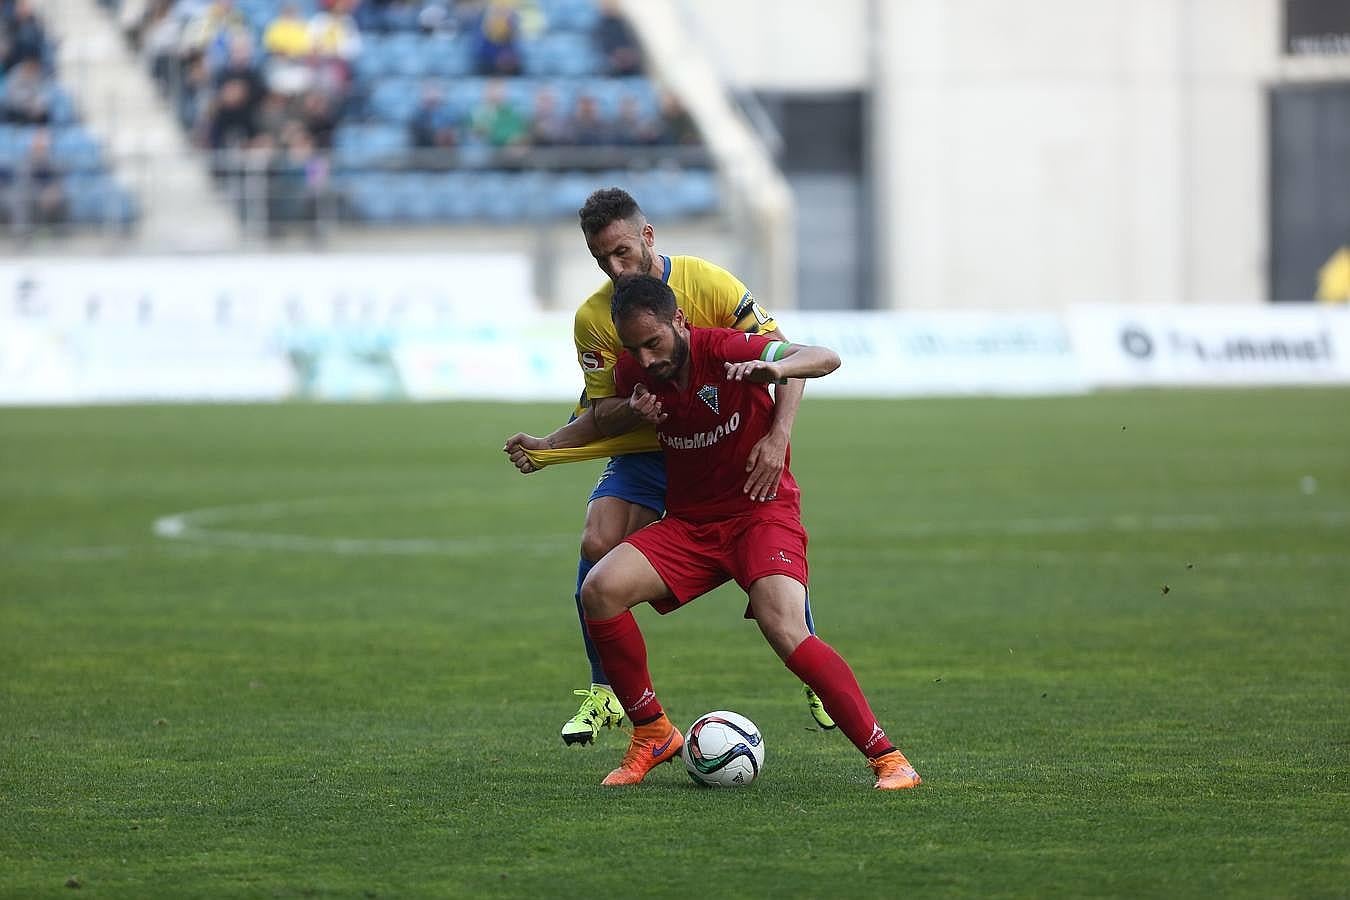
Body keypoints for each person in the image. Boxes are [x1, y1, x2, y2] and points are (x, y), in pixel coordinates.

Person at [503, 188, 835, 745]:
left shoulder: (711, 284)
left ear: (648, 236)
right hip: (647, 445)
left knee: (764, 558)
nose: (614, 268)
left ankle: (815, 670)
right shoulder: (595, 318)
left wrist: (778, 438)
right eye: (601, 259)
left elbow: (790, 358)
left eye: (623, 252)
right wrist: (572, 434)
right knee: (596, 542)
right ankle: (607, 692)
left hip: (721, 442)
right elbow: (601, 410)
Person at [579, 273, 921, 790]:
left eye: (653, 343)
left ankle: (890, 760)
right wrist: (544, 446)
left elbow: (825, 356)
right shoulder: (634, 373)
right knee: (599, 591)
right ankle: (652, 731)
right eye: (634, 348)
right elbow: (598, 421)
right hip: (692, 525)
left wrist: (775, 367)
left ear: (679, 320)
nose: (646, 359)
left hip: (762, 513)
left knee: (783, 626)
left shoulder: (728, 348)